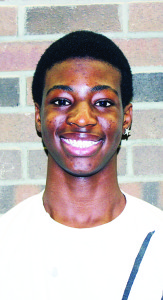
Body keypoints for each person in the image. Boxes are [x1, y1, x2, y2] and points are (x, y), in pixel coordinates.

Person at [0, 31, 162, 300]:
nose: (83, 118)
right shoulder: (6, 242)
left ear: (126, 118)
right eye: (62, 101)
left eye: (103, 103)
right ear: (39, 116)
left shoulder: (158, 240)